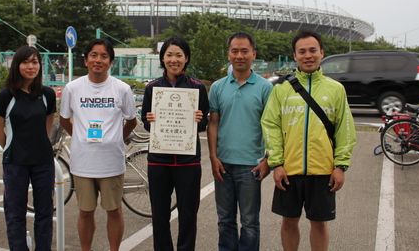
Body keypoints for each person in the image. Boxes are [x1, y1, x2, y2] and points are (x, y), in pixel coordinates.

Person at [261, 29, 356, 251]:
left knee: (319, 223)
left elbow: (345, 129)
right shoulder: (282, 90)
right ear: (295, 56)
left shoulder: (336, 89)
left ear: (322, 52)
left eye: (313, 50)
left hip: (323, 171)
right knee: (288, 221)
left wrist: (341, 165)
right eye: (302, 51)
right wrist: (277, 163)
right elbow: (270, 125)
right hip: (289, 170)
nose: (308, 55)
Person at [59, 38, 137, 251]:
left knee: (114, 210)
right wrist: (79, 137)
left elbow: (132, 120)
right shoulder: (72, 88)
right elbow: (64, 119)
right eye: (93, 55)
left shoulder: (121, 89)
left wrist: (116, 139)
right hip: (83, 163)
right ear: (85, 60)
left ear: (111, 62)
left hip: (111, 162)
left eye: (104, 56)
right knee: (85, 211)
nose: (98, 60)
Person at [141, 36, 210, 251]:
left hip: (188, 161)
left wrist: (200, 118)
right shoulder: (153, 88)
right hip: (158, 161)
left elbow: (205, 123)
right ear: (162, 58)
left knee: (189, 214)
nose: (174, 59)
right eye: (169, 55)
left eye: (179, 55)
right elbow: (145, 121)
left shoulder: (197, 87)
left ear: (186, 58)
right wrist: (150, 120)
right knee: (159, 214)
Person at [208, 31, 273, 251]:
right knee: (225, 220)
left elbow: (272, 127)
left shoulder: (265, 88)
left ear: (253, 54)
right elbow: (213, 123)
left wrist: (268, 159)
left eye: (245, 51)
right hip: (223, 164)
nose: (239, 55)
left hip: (251, 165)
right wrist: (213, 157)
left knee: (250, 223)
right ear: (228, 54)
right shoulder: (217, 87)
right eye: (234, 51)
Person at [0, 45, 56, 250]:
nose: (31, 66)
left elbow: (46, 127)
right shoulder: (6, 95)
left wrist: (35, 145)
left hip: (43, 162)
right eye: (25, 62)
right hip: (15, 163)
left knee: (45, 213)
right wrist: (13, 147)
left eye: (35, 62)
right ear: (17, 65)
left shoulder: (47, 94)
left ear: (40, 65)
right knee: (14, 213)